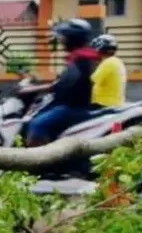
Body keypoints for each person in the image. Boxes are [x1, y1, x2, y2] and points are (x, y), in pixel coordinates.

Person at [20, 19, 99, 147]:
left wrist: (32, 89)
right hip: (73, 104)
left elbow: (62, 84)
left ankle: (38, 161)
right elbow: (64, 81)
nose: (62, 41)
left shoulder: (81, 58)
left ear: (73, 38)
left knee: (37, 124)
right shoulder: (82, 56)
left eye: (64, 37)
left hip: (72, 107)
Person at [89, 34, 126, 108]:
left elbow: (91, 82)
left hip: (102, 105)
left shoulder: (107, 63)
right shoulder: (117, 62)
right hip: (114, 104)